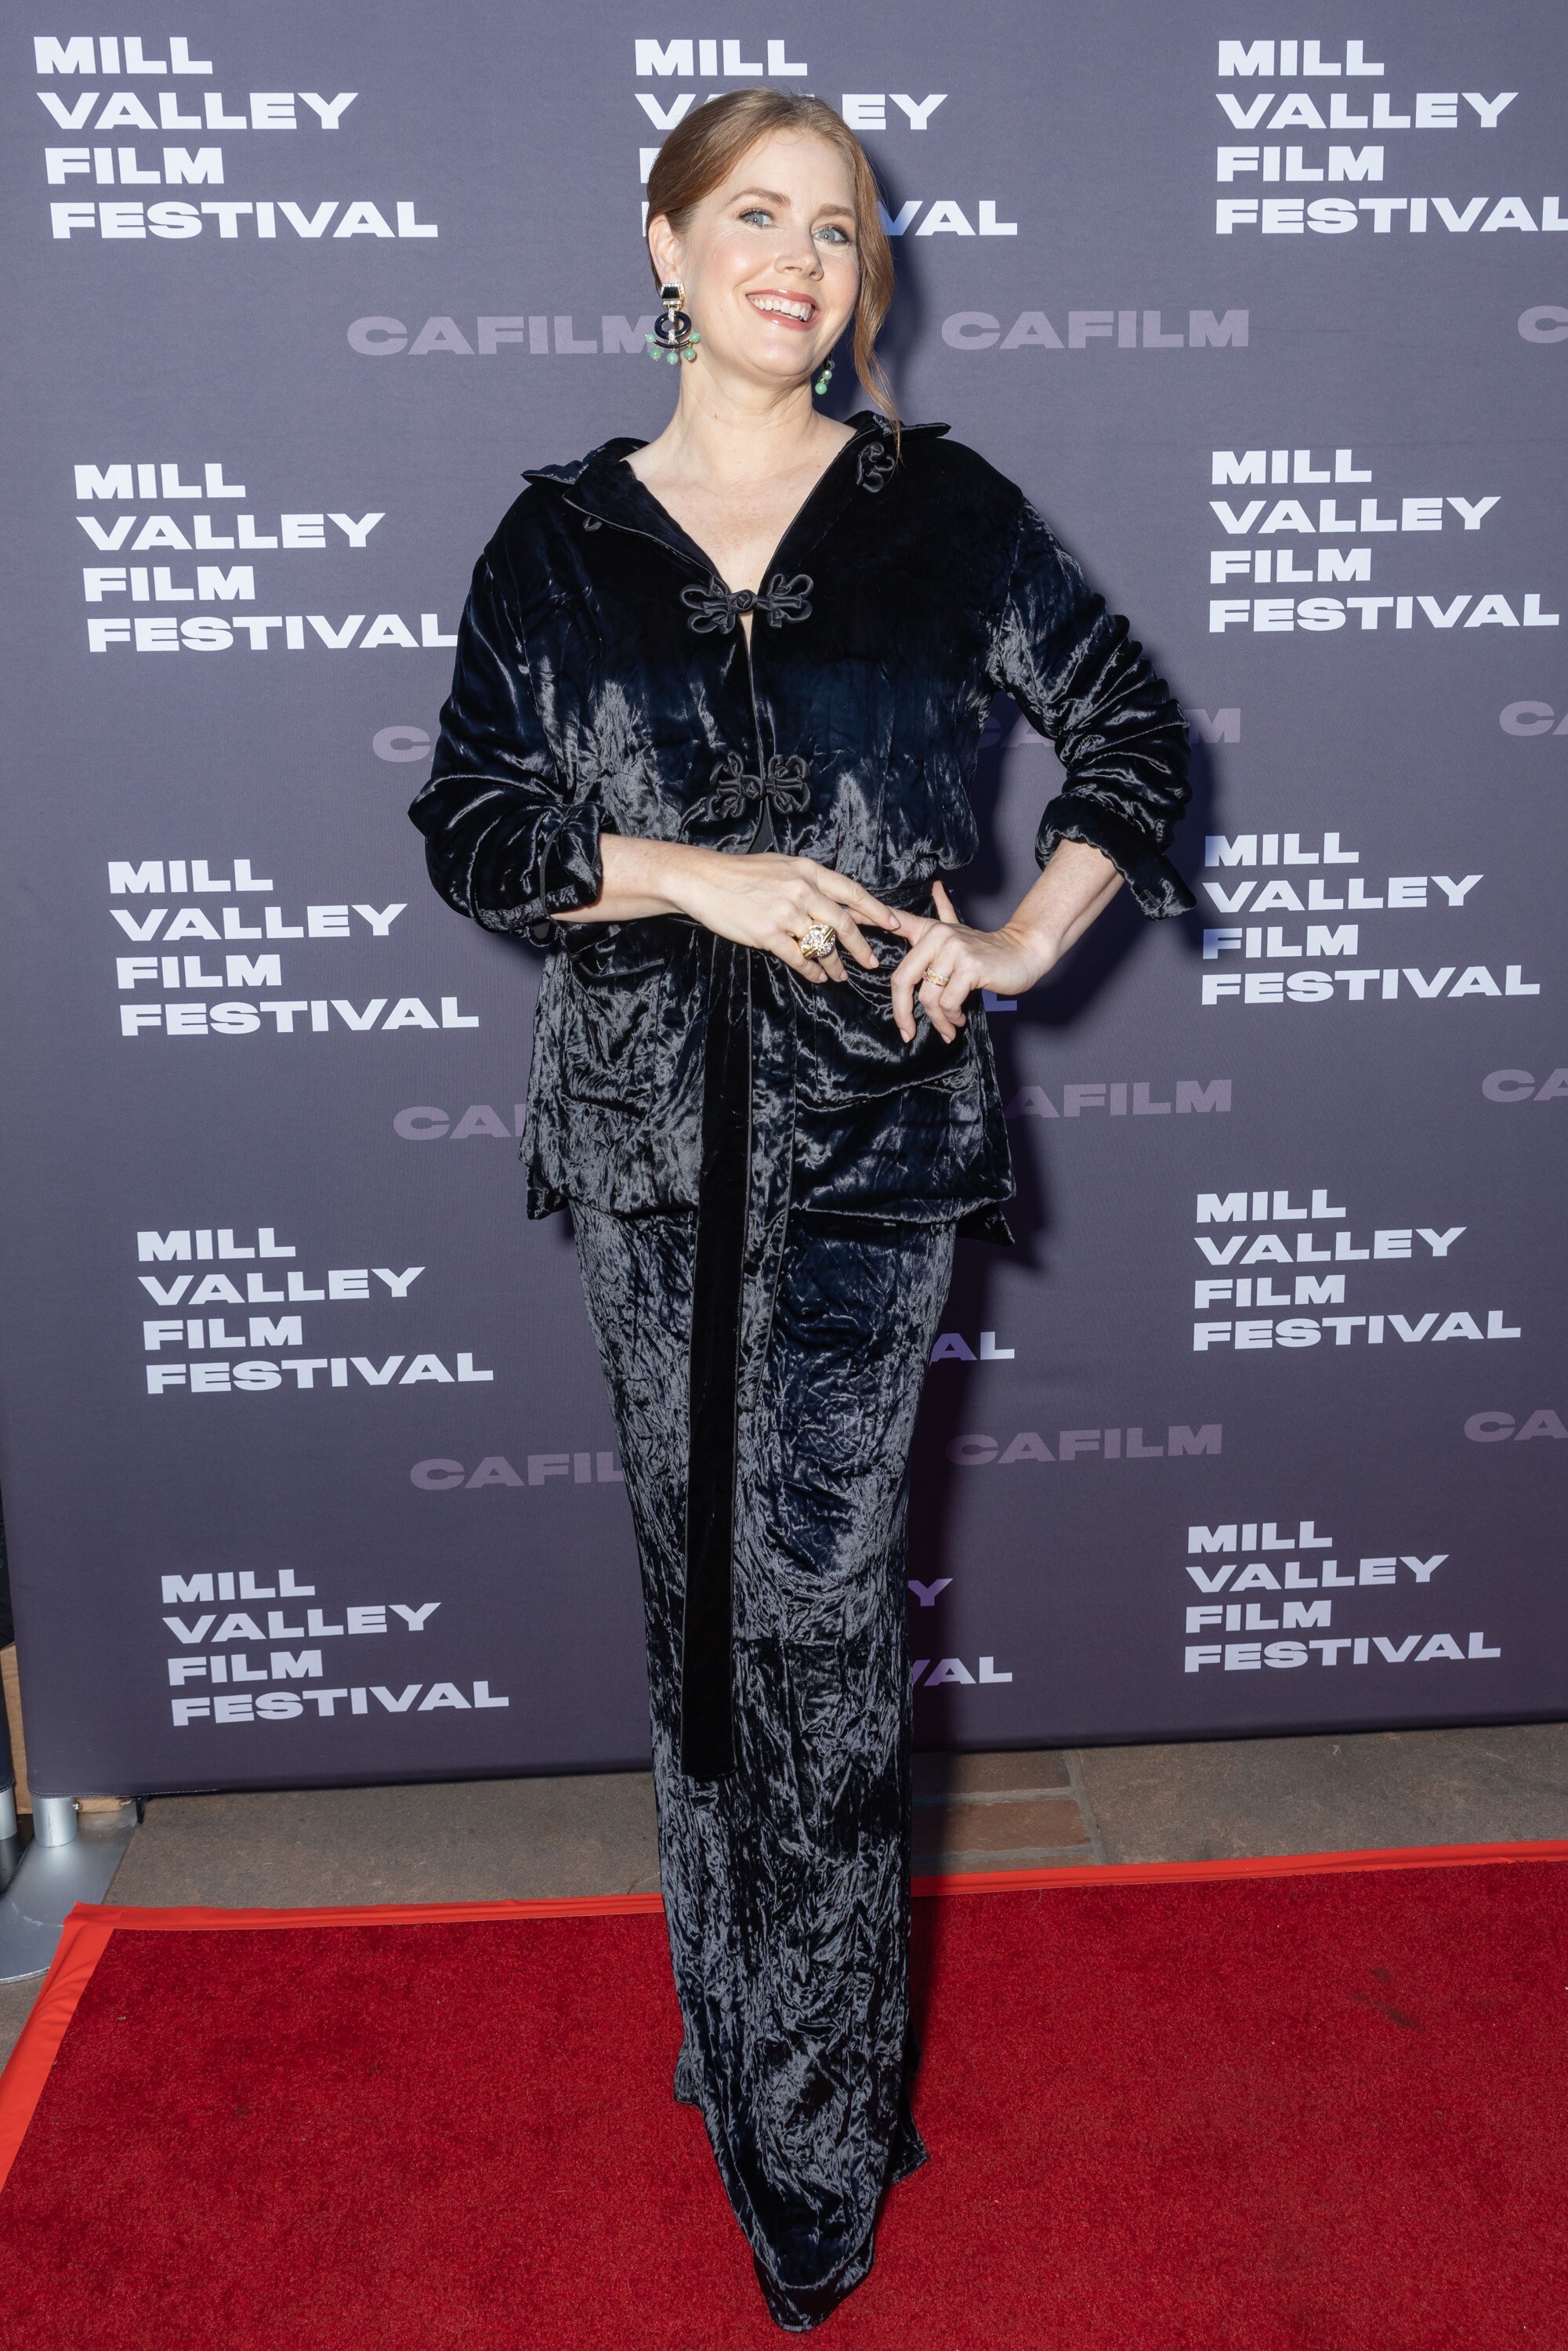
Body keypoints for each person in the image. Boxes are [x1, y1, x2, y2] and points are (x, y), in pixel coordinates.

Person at [411, 86, 1191, 2330]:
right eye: (751, 216)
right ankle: (735, 2031)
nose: (795, 260)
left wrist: (1021, 940)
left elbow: (1131, 738)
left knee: (821, 1619)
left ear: (867, 277)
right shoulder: (560, 536)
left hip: (869, 1153)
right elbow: (476, 826)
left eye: (835, 229)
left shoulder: (941, 511)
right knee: (698, 1621)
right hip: (647, 1150)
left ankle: (820, 2143)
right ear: (662, 244)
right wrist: (696, 877)